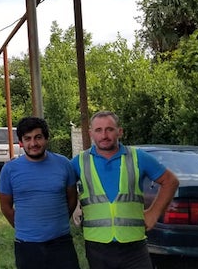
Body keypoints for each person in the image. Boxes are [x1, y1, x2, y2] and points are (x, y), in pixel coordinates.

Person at [71, 110, 179, 269]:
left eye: (110, 129)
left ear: (119, 131)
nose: (104, 135)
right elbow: (60, 187)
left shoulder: (138, 157)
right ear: (91, 133)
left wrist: (154, 213)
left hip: (134, 246)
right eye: (98, 130)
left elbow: (170, 181)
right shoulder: (79, 162)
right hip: (97, 246)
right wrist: (74, 207)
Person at [0, 117, 80, 269]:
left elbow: (72, 199)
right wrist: (26, 228)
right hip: (27, 246)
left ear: (46, 138)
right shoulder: (10, 170)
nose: (33, 143)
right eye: (27, 139)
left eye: (38, 137)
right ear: (21, 142)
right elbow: (6, 207)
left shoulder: (64, 164)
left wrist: (57, 222)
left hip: (61, 243)